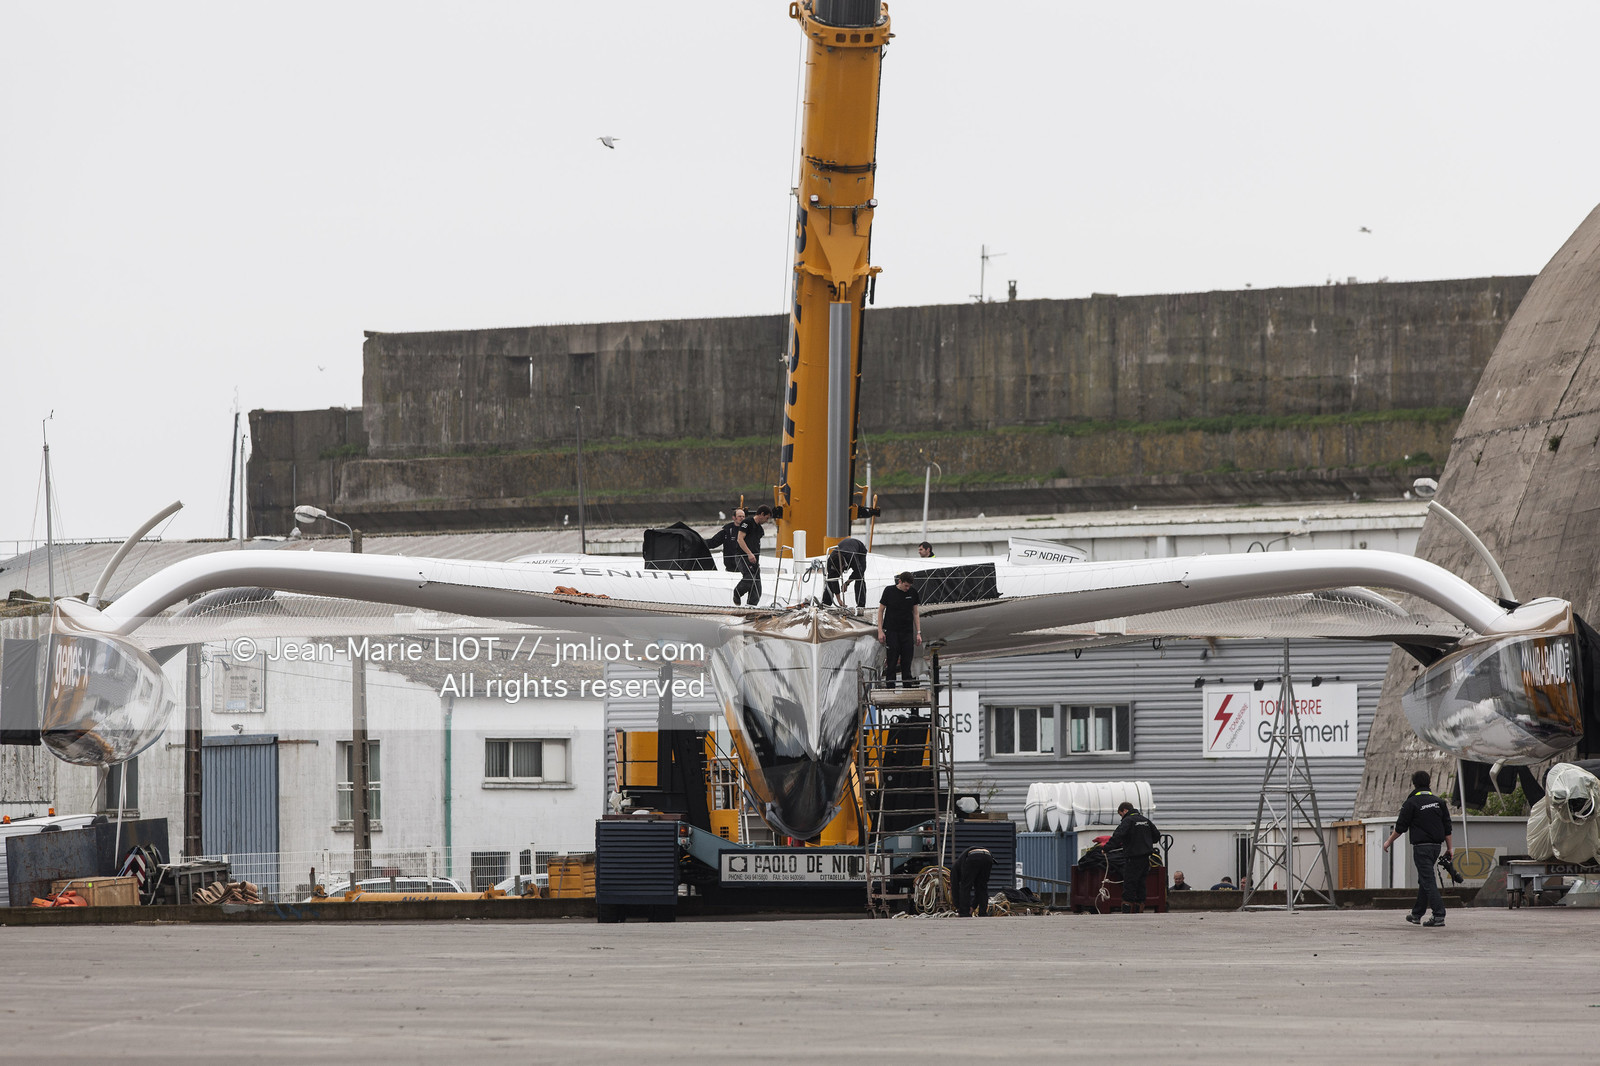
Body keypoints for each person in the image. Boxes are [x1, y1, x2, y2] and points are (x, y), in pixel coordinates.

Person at [1383, 769, 1454, 927]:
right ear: (1429, 783)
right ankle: (1416, 914)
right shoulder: (1439, 802)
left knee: (1428, 880)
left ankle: (1439, 915)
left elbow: (1401, 827)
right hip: (1436, 847)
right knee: (1425, 878)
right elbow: (1447, 827)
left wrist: (1388, 842)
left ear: (1414, 784)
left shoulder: (1411, 803)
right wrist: (1450, 848)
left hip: (1421, 848)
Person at [1108, 800, 1160, 913]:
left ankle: (1127, 910)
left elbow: (1118, 836)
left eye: (1121, 814)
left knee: (1129, 884)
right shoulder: (1145, 820)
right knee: (1141, 884)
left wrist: (1106, 848)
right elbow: (1156, 836)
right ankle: (1139, 908)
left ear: (1125, 810)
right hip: (1146, 859)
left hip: (1132, 858)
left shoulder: (1128, 821)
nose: (1121, 817)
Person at [877, 572, 922, 687]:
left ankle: (907, 688)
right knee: (892, 661)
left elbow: (916, 613)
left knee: (906, 662)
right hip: (892, 631)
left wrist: (918, 632)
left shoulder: (913, 593)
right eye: (906, 585)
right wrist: (880, 630)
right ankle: (890, 688)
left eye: (909, 586)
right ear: (900, 582)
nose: (907, 588)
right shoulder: (889, 591)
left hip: (907, 631)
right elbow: (881, 611)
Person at [732, 506, 771, 606]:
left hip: (754, 560)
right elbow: (740, 539)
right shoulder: (747, 523)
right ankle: (737, 593)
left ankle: (750, 608)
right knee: (749, 578)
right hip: (743, 556)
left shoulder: (760, 529)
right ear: (761, 514)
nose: (767, 521)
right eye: (766, 518)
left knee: (757, 588)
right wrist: (749, 553)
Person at [822, 536, 868, 608]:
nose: (841, 573)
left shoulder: (852, 557)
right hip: (845, 547)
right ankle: (826, 603)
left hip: (859, 550)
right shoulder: (830, 561)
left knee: (860, 578)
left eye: (841, 570)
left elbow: (858, 572)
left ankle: (861, 605)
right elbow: (833, 580)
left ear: (843, 566)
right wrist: (839, 600)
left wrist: (847, 583)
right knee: (830, 579)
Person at [951, 845, 994, 917]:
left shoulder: (955, 869)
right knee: (982, 886)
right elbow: (978, 889)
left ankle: (964, 913)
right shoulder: (961, 863)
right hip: (988, 857)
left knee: (965, 887)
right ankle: (983, 913)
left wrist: (958, 907)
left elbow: (955, 887)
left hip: (974, 857)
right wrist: (973, 907)